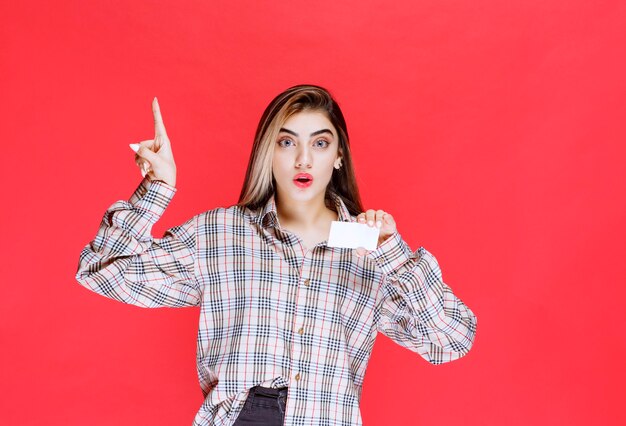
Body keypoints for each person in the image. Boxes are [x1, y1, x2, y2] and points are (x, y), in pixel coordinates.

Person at [75, 84, 477, 426]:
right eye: (287, 142)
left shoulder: (369, 250)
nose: (303, 159)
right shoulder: (221, 234)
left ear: (339, 156)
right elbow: (103, 271)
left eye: (320, 143)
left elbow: (451, 340)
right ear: (268, 152)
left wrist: (393, 253)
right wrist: (158, 187)